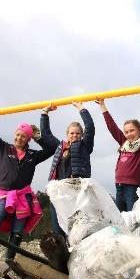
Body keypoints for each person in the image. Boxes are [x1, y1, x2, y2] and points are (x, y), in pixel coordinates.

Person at [0, 109, 56, 259]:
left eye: (23, 136)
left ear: (28, 139)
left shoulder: (32, 156)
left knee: (17, 232)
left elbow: (53, 148)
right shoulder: (3, 148)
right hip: (4, 196)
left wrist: (39, 138)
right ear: (14, 135)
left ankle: (9, 260)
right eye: (17, 135)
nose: (19, 138)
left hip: (23, 198)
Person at [40, 102, 95, 238]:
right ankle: (62, 253)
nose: (74, 136)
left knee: (74, 226)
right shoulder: (60, 147)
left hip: (75, 190)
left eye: (77, 133)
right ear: (67, 134)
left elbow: (90, 127)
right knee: (57, 226)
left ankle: (75, 250)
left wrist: (81, 108)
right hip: (59, 191)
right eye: (72, 133)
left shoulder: (85, 146)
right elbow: (46, 135)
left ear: (82, 135)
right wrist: (44, 113)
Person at [96, 91, 140, 212]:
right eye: (126, 132)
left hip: (132, 187)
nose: (129, 134)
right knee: (121, 219)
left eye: (132, 130)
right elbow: (113, 128)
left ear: (139, 130)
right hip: (119, 185)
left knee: (132, 219)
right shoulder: (124, 143)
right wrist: (102, 106)